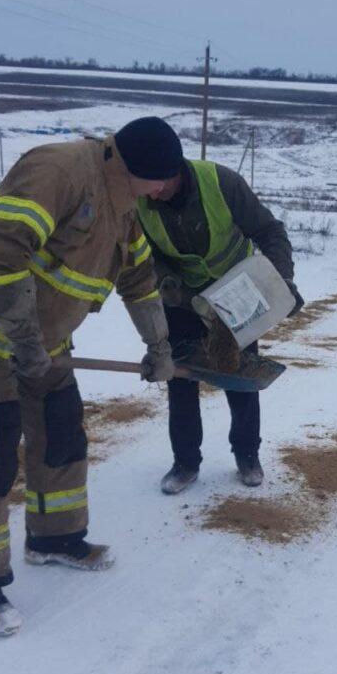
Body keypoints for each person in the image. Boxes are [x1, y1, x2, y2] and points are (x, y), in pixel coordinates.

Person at [0, 119, 179, 637]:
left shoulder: (124, 202)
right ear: (133, 168)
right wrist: (22, 342)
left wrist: (159, 345)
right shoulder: (57, 171)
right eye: (158, 181)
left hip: (46, 343)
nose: (162, 191)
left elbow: (139, 276)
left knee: (62, 436)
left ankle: (54, 538)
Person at [135, 121, 303, 495]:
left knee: (240, 377)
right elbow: (142, 256)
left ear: (176, 169)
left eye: (158, 182)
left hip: (236, 294)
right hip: (180, 298)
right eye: (147, 183)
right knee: (179, 378)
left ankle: (247, 456)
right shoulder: (140, 200)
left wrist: (282, 283)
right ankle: (185, 463)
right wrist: (168, 283)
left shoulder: (222, 183)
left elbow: (270, 233)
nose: (154, 191)